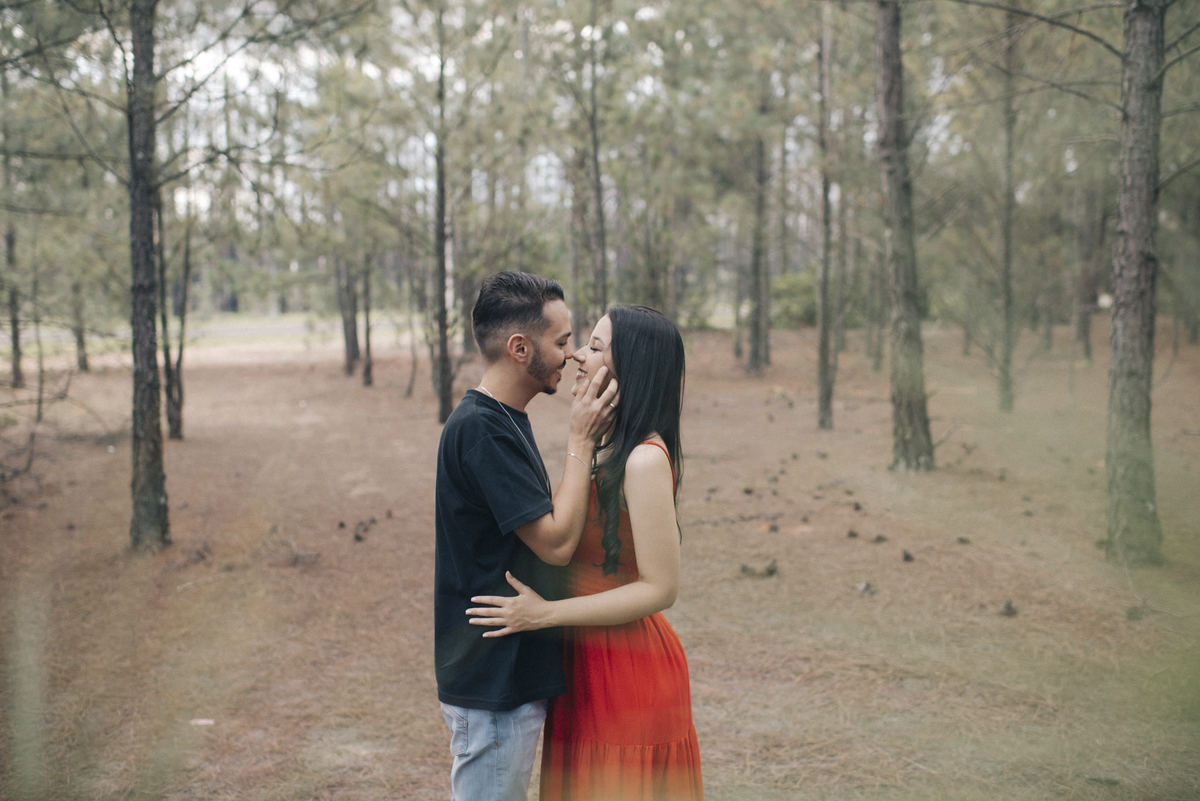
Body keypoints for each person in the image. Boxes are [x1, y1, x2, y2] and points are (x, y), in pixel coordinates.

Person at [466, 305, 703, 801]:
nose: (576, 355)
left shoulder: (642, 460)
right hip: (588, 669)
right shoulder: (611, 448)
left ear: (629, 368)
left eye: (595, 346)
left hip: (628, 674)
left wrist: (546, 614)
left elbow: (661, 588)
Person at [434, 271, 619, 801]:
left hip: (504, 676)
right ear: (520, 348)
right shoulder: (482, 429)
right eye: (561, 342)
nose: (572, 354)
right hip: (494, 683)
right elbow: (557, 543)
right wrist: (581, 438)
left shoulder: (503, 419)